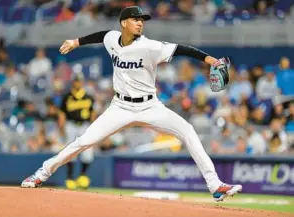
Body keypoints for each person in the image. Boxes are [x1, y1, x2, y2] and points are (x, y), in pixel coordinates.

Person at [21, 6, 241, 202]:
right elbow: (100, 36)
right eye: (136, 19)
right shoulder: (111, 39)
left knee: (188, 131)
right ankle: (41, 174)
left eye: (142, 20)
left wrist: (210, 60)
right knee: (83, 141)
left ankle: (215, 185)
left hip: (150, 107)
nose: (140, 23)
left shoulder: (149, 46)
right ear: (123, 23)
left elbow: (182, 48)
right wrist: (75, 42)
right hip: (120, 107)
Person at [60, 73, 97, 190]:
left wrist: (94, 127)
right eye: (76, 81)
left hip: (85, 125)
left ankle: (83, 175)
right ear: (73, 82)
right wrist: (61, 129)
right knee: (70, 151)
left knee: (87, 151)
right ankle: (70, 177)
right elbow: (62, 114)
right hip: (71, 125)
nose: (78, 83)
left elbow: (93, 114)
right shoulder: (67, 96)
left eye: (80, 81)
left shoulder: (88, 97)